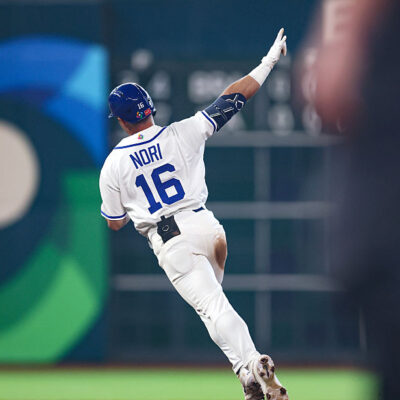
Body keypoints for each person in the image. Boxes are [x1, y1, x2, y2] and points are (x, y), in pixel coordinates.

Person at [100, 29, 289, 400]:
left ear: (120, 121)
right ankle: (248, 381)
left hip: (173, 241)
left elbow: (115, 221)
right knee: (211, 311)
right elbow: (233, 98)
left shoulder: (113, 164)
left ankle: (253, 362)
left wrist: (130, 211)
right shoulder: (184, 131)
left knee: (215, 308)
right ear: (150, 108)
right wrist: (269, 62)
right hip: (208, 227)